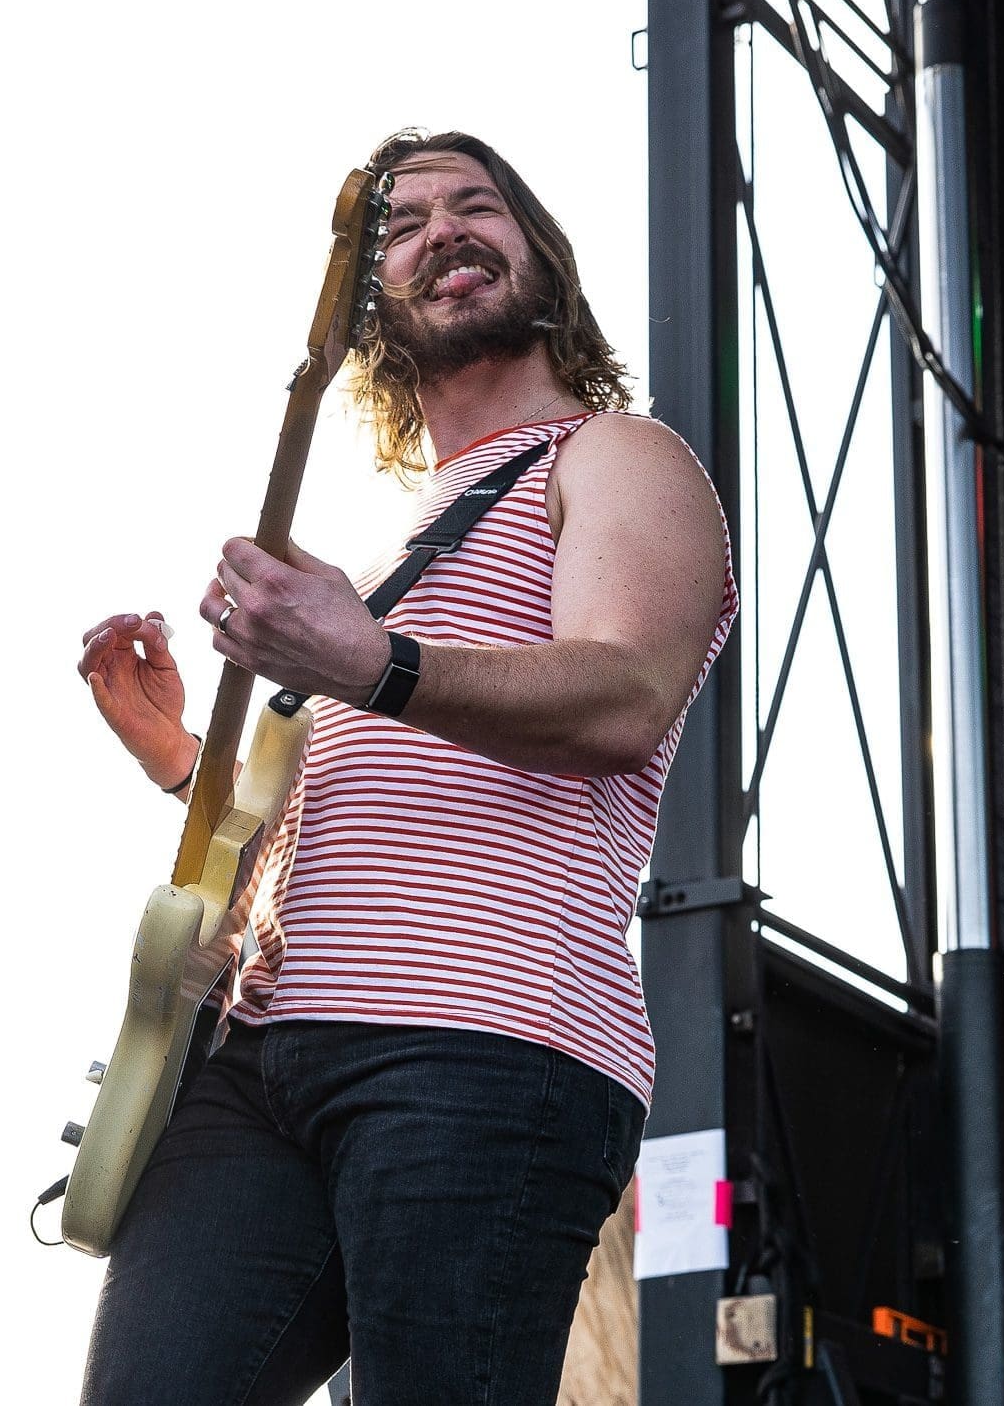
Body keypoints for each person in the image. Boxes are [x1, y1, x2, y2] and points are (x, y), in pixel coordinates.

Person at [76, 129, 738, 1406]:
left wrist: (369, 657)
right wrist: (178, 762)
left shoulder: (612, 459)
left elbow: (622, 696)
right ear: (367, 304)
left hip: (479, 1052)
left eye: (475, 206)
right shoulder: (397, 549)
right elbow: (362, 818)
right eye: (402, 223)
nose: (440, 230)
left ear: (540, 256)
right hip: (263, 1052)